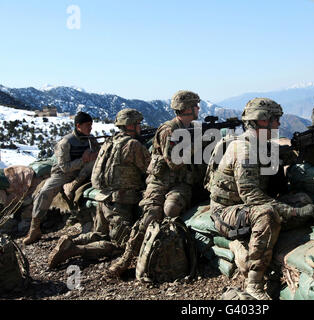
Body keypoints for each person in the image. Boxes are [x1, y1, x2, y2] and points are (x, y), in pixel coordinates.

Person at [204, 98, 314, 300]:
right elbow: (252, 197)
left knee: (302, 199)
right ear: (262, 121)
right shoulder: (244, 150)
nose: (279, 124)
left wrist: (313, 135)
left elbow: (302, 159)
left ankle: (255, 240)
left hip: (246, 209)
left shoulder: (262, 146)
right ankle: (254, 283)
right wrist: (295, 212)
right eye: (275, 119)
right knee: (268, 214)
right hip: (226, 213)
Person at [108, 90, 203, 277]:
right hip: (160, 181)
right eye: (195, 106)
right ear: (187, 109)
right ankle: (127, 258)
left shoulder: (194, 128)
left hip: (181, 183)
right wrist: (196, 144)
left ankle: (168, 257)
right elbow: (174, 162)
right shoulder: (169, 130)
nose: (198, 108)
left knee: (171, 209)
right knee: (150, 215)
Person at [47, 108, 151, 268]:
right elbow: (148, 169)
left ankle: (71, 241)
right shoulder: (133, 145)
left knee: (101, 233)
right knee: (120, 245)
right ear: (130, 126)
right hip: (120, 201)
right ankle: (74, 250)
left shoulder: (110, 142)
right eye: (138, 124)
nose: (140, 127)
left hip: (102, 198)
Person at [23, 112, 99, 245]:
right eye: (87, 125)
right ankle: (34, 229)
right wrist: (82, 160)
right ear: (78, 125)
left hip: (83, 172)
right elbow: (64, 167)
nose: (90, 128)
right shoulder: (65, 142)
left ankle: (75, 186)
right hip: (64, 173)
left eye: (91, 125)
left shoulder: (90, 139)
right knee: (45, 192)